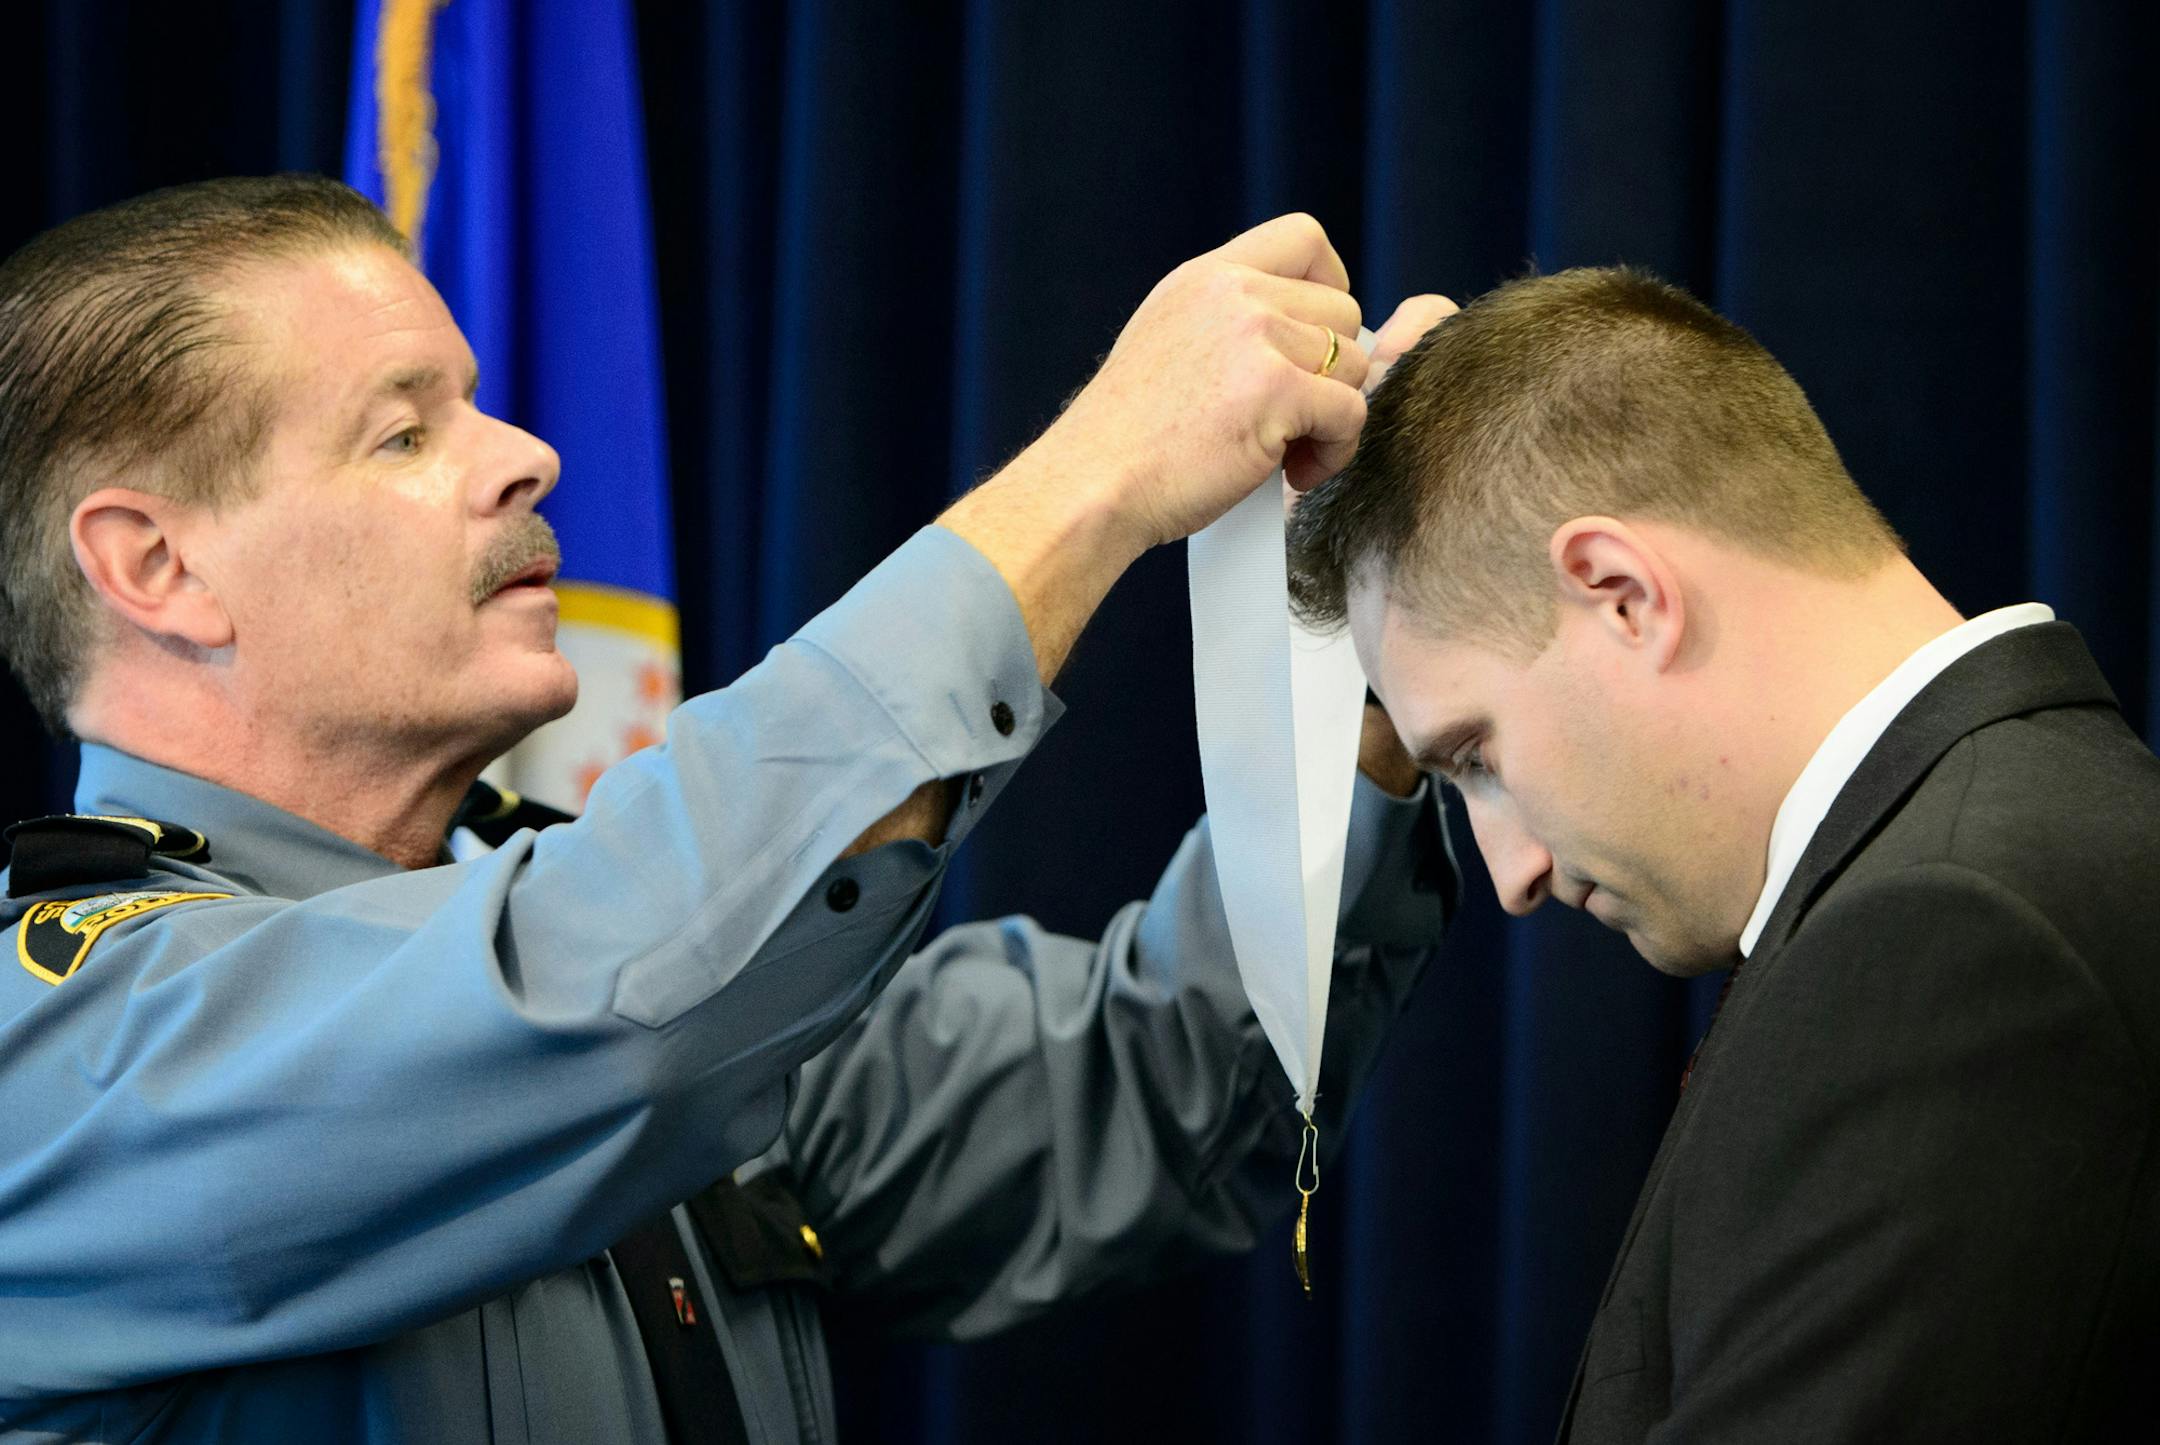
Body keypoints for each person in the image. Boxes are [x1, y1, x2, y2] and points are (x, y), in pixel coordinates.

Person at [0, 175, 1457, 1442]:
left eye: (475, 400)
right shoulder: (60, 1054)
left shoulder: (646, 952)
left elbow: (1161, 1088)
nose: (524, 453)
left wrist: (1383, 709)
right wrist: (1101, 470)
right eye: (401, 435)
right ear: (155, 569)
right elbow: (607, 1004)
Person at [1287, 266, 2158, 1442]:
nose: (1510, 875)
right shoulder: (2022, 841)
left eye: (1477, 755)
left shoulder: (1947, 942)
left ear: (1622, 593)